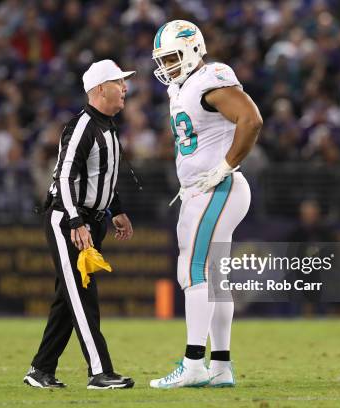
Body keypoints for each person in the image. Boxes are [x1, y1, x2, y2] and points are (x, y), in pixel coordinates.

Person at [149, 20, 263, 388]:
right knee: (214, 277)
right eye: (161, 60)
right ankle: (221, 366)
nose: (165, 67)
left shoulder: (209, 78)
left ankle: (194, 362)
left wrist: (226, 165)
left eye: (170, 57)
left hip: (217, 187)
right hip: (205, 188)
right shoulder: (182, 87)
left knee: (193, 270)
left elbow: (251, 119)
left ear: (193, 50)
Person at [23, 60, 136, 390]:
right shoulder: (83, 126)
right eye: (119, 82)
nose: (125, 88)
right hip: (69, 221)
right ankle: (100, 371)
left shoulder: (108, 127)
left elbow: (101, 179)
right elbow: (65, 176)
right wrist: (75, 221)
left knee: (66, 298)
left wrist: (116, 210)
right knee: (82, 293)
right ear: (100, 89)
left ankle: (40, 369)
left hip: (91, 221)